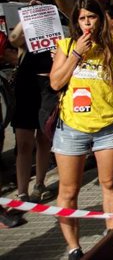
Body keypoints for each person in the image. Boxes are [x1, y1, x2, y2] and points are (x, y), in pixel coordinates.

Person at [49, 0, 113, 260]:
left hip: (108, 127)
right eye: (82, 18)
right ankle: (74, 248)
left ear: (101, 20)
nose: (87, 23)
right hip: (72, 128)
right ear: (76, 21)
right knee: (69, 190)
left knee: (110, 183)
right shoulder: (66, 46)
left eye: (92, 18)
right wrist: (76, 54)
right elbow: (55, 82)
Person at [8, 17, 54, 204]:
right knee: (24, 144)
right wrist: (25, 16)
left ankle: (40, 183)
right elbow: (13, 38)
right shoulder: (25, 45)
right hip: (26, 93)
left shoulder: (54, 42)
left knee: (43, 140)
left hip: (47, 92)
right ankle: (21, 191)